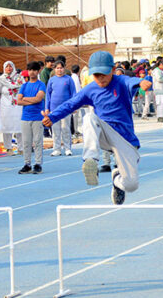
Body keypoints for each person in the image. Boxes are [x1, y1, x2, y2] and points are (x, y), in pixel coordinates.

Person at [42, 51, 152, 205]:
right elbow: (70, 104)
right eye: (96, 75)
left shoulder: (121, 81)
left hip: (125, 138)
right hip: (103, 132)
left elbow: (130, 81)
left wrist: (141, 83)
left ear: (113, 70)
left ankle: (117, 180)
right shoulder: (90, 89)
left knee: (131, 185)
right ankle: (91, 160)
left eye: (104, 74)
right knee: (89, 117)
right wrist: (52, 117)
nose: (100, 78)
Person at [17, 61, 46, 174]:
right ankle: (27, 163)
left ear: (38, 71)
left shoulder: (41, 84)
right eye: (30, 70)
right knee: (26, 142)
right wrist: (30, 99)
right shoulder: (24, 86)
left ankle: (38, 164)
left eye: (34, 70)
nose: (32, 72)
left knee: (38, 141)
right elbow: (18, 101)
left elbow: (39, 99)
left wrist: (25, 99)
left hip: (38, 117)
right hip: (25, 117)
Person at [46, 60, 76, 157]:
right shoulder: (51, 80)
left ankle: (67, 148)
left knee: (65, 128)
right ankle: (56, 149)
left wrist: (74, 106)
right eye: (57, 68)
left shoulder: (68, 79)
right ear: (54, 69)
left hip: (66, 108)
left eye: (61, 68)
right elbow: (48, 95)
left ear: (64, 68)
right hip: (54, 109)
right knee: (55, 129)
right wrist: (47, 108)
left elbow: (73, 93)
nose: (59, 70)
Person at [0, 61, 24, 154]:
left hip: (19, 106)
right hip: (5, 108)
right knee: (7, 127)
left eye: (11, 66)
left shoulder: (20, 78)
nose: (9, 68)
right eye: (7, 66)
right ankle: (8, 147)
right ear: (4, 68)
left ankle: (21, 148)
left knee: (20, 126)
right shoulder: (0, 80)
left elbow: (24, 90)